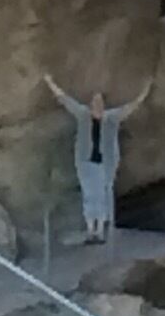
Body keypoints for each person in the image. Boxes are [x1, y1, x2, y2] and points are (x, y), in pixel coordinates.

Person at [43, 73, 151, 245]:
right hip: (86, 162)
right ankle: (91, 230)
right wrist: (49, 82)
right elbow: (65, 100)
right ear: (91, 104)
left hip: (105, 163)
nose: (97, 105)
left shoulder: (111, 118)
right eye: (95, 102)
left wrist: (144, 92)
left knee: (102, 194)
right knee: (89, 194)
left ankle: (100, 230)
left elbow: (129, 108)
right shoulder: (83, 115)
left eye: (100, 102)